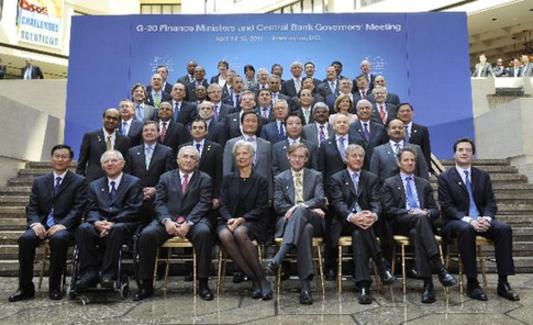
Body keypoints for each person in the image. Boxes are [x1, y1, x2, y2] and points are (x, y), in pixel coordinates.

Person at [438, 138, 519, 302]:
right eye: (460, 150)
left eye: (468, 150)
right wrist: (470, 220)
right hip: (456, 222)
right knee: (466, 230)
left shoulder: (482, 176)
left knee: (504, 229)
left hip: (481, 219)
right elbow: (447, 207)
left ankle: (503, 283)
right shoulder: (445, 177)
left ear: (472, 154)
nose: (464, 152)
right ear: (454, 154)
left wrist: (486, 218)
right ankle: (473, 283)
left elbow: (491, 203)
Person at [134, 146, 214, 301]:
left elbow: (204, 204)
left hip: (194, 220)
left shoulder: (205, 178)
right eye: (185, 156)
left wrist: (189, 223)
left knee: (204, 233)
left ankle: (203, 284)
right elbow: (159, 202)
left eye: (192, 157)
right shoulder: (165, 178)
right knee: (147, 235)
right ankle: (146, 285)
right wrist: (166, 221)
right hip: (168, 219)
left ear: (197, 162)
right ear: (178, 160)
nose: (188, 160)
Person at [9, 145, 87, 302]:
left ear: (70, 160)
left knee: (58, 239)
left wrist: (63, 224)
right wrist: (35, 223)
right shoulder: (40, 181)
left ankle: (55, 287)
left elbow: (78, 208)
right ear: (52, 158)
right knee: (25, 239)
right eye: (57, 156)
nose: (60, 159)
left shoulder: (79, 181)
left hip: (65, 227)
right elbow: (32, 207)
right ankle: (25, 288)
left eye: (64, 156)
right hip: (42, 224)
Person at [382, 147, 456, 303]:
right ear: (398, 162)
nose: (410, 163)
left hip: (421, 224)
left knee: (418, 232)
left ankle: (428, 285)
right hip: (401, 223)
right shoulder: (389, 183)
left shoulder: (423, 183)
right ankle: (439, 267)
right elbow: (389, 210)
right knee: (419, 221)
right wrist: (411, 212)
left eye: (412, 160)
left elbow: (435, 210)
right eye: (406, 160)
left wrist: (425, 213)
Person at [328, 144, 396, 304]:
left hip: (367, 223)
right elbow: (338, 204)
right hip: (345, 223)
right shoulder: (336, 178)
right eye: (354, 156)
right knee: (360, 229)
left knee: (360, 234)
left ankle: (364, 286)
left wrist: (373, 215)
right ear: (346, 158)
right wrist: (353, 217)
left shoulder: (371, 177)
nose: (358, 159)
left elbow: (376, 201)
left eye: (361, 156)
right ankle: (382, 266)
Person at [266, 143, 327, 305]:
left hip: (314, 220)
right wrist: (301, 209)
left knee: (303, 216)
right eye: (294, 156)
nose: (297, 160)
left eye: (301, 157)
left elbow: (320, 199)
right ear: (288, 157)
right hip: (288, 222)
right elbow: (278, 205)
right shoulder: (280, 178)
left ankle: (279, 256)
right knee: (304, 230)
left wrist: (299, 207)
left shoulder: (315, 175)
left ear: (306, 159)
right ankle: (305, 287)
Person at [74, 150, 142, 291]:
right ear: (102, 166)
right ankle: (89, 272)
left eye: (114, 160)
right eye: (106, 162)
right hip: (100, 223)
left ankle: (108, 273)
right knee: (83, 228)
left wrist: (112, 223)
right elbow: (91, 208)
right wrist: (96, 222)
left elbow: (133, 209)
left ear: (122, 164)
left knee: (116, 229)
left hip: (124, 224)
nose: (110, 164)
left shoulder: (134, 182)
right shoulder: (94, 185)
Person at [217, 140, 272, 300]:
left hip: (253, 221)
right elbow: (223, 204)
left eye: (245, 153)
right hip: (228, 220)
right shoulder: (228, 179)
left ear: (252, 157)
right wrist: (229, 219)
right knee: (225, 235)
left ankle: (260, 279)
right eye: (238, 154)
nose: (241, 157)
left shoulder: (261, 180)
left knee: (240, 232)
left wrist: (242, 219)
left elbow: (261, 207)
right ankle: (257, 279)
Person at [125, 121, 176, 224]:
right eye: (146, 130)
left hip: (159, 198)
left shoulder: (167, 151)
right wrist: (140, 191)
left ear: (158, 133)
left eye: (152, 130)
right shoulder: (132, 151)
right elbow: (128, 175)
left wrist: (155, 189)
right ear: (142, 133)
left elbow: (169, 175)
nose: (149, 132)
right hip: (137, 198)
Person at [76, 108, 130, 182]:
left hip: (117, 183)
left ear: (119, 122)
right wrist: (81, 183)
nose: (111, 121)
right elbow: (81, 163)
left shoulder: (125, 140)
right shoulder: (90, 136)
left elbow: (126, 164)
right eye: (108, 117)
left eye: (114, 119)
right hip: (93, 182)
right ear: (103, 119)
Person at [181, 119, 223, 212]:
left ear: (206, 131)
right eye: (194, 128)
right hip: (186, 192)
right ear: (190, 131)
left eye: (200, 128)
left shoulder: (216, 148)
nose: (197, 130)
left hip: (208, 194)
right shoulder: (183, 147)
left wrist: (216, 196)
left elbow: (219, 174)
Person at [348, 99, 388, 169]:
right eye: (361, 108)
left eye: (367, 108)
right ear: (357, 111)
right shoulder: (351, 127)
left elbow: (384, 147)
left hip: (377, 165)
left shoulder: (380, 128)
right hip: (357, 165)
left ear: (371, 110)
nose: (364, 110)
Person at [396, 103, 432, 169]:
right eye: (402, 111)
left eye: (408, 111)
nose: (405, 113)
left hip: (416, 167)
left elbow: (426, 151)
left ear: (413, 113)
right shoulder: (392, 130)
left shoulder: (422, 130)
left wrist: (428, 169)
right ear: (397, 114)